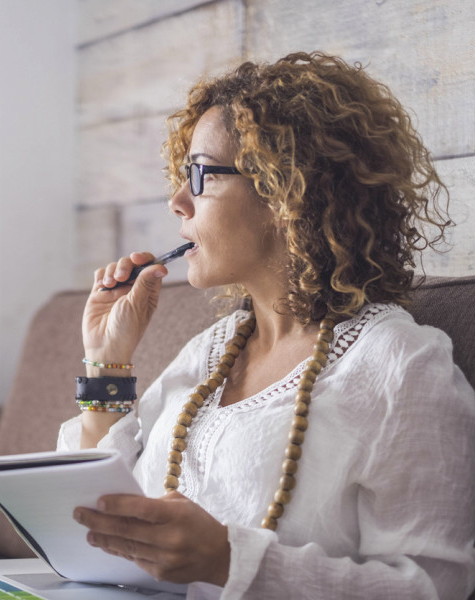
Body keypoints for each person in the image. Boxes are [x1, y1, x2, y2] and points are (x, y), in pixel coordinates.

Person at [58, 52, 475, 599]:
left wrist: (229, 560)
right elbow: (100, 521)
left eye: (201, 175)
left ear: (286, 191)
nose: (177, 201)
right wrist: (106, 361)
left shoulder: (399, 366)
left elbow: (434, 587)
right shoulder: (209, 352)